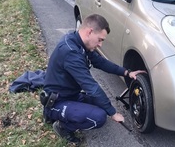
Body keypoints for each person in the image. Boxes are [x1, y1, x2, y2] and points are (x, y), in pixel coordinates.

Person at [42, 14, 146, 145]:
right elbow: (91, 87)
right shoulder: (71, 53)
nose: (100, 45)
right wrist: (113, 113)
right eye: (100, 39)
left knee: (101, 105)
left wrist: (127, 72)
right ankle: (62, 126)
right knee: (99, 117)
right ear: (90, 32)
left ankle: (70, 114)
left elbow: (102, 63)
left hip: (71, 95)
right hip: (57, 102)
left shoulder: (79, 43)